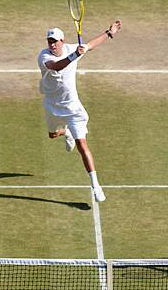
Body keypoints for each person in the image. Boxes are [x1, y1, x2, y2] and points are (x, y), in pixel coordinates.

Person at [37, 20, 122, 202]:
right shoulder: (44, 57)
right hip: (52, 106)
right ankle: (65, 131)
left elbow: (90, 45)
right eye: (49, 41)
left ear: (62, 41)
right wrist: (76, 55)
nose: (51, 45)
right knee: (52, 135)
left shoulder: (72, 49)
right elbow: (56, 66)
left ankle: (96, 185)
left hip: (73, 109)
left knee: (83, 146)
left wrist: (109, 32)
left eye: (55, 41)